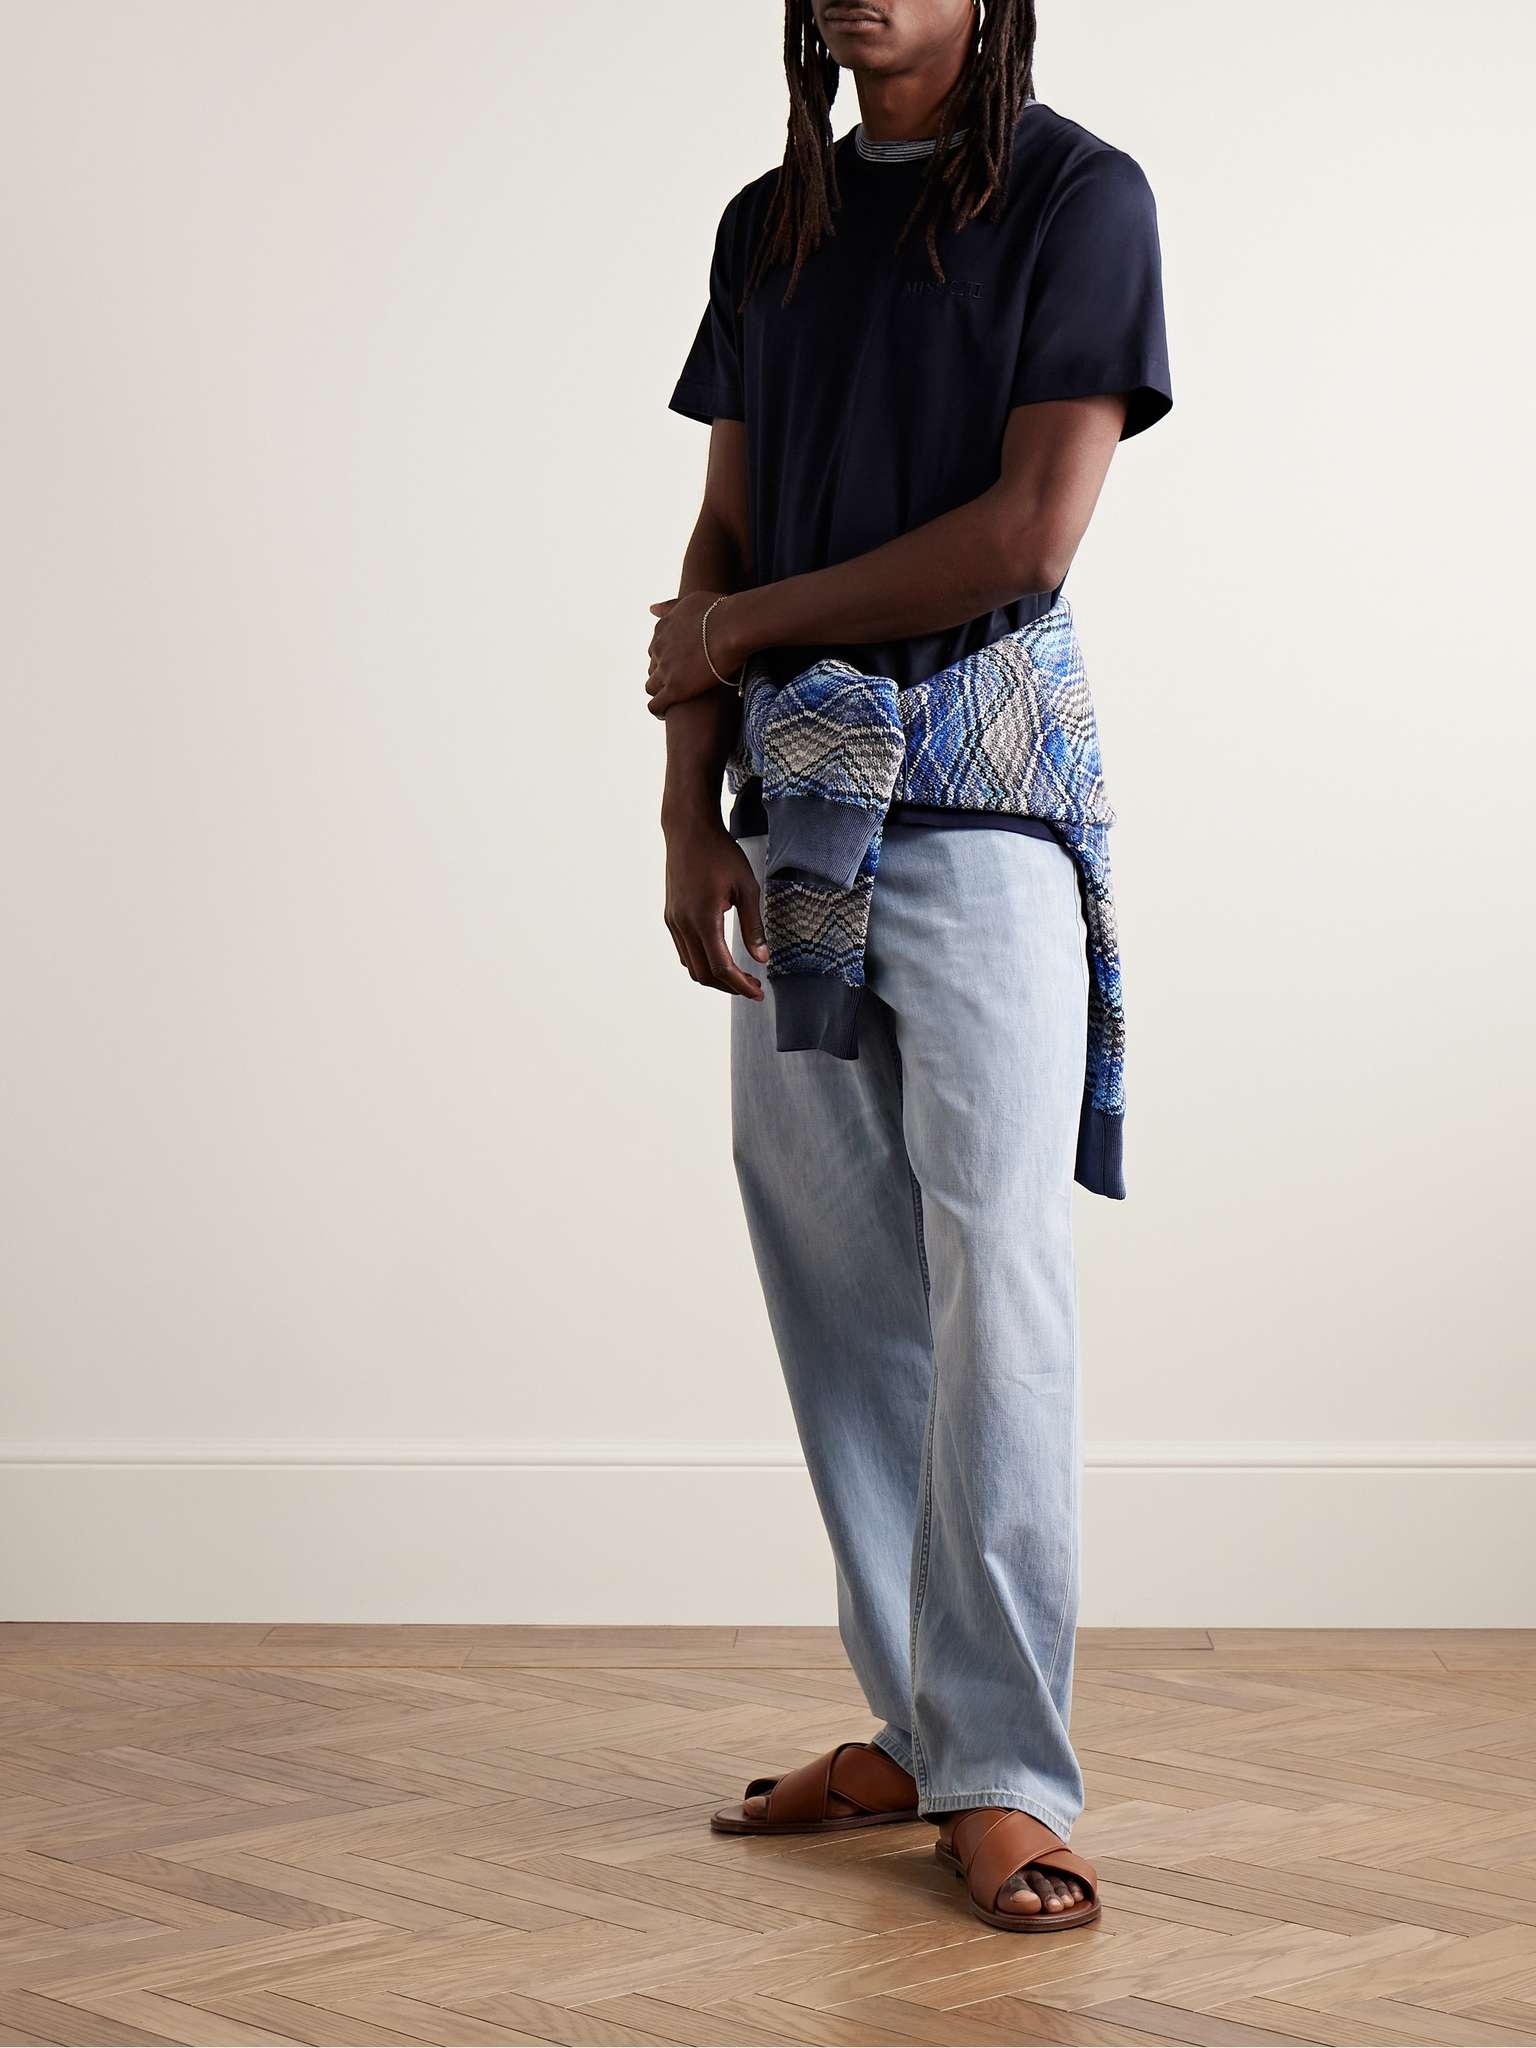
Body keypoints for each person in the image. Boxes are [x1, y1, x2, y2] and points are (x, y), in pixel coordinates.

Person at [648, 0, 1170, 1933]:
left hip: (984, 798)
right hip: (795, 806)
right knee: (842, 1282)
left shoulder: (1078, 196)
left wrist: (743, 634)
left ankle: (1008, 1769)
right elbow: (722, 528)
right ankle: (922, 1726)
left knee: (995, 1272)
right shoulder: (769, 219)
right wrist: (686, 810)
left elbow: (1028, 538)